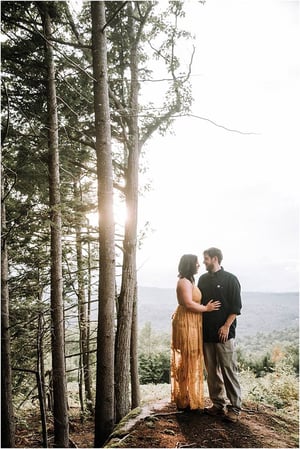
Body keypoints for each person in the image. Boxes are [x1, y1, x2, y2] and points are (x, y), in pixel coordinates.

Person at [197, 247, 242, 423]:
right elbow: (198, 303)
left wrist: (225, 326)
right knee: (212, 372)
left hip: (224, 335)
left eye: (206, 259)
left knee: (229, 370)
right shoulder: (203, 279)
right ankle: (217, 405)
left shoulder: (231, 279)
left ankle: (235, 408)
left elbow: (236, 308)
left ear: (215, 259)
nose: (203, 262)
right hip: (206, 334)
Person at [171, 254, 221, 411]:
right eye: (196, 263)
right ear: (189, 264)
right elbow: (187, 303)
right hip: (186, 322)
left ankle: (189, 396)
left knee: (191, 358)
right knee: (187, 359)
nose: (199, 265)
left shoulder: (190, 281)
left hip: (193, 322)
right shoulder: (184, 281)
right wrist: (206, 308)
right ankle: (184, 399)